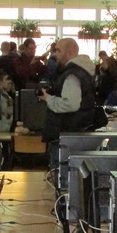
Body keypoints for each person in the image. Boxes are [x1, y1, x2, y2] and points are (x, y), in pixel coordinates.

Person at [39, 38, 96, 169]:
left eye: (58, 51)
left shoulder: (72, 75)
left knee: (61, 176)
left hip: (66, 135)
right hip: (76, 132)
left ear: (69, 53)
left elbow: (70, 104)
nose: (55, 54)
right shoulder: (82, 72)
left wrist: (48, 98)